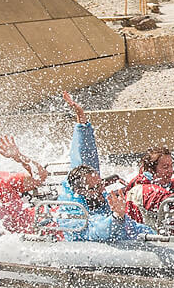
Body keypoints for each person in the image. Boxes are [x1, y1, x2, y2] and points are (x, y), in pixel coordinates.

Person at [56, 92, 154, 241]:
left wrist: (81, 121)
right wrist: (117, 217)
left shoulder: (99, 198)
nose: (102, 189)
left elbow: (85, 153)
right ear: (79, 191)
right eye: (95, 187)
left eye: (101, 184)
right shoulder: (73, 211)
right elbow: (95, 232)